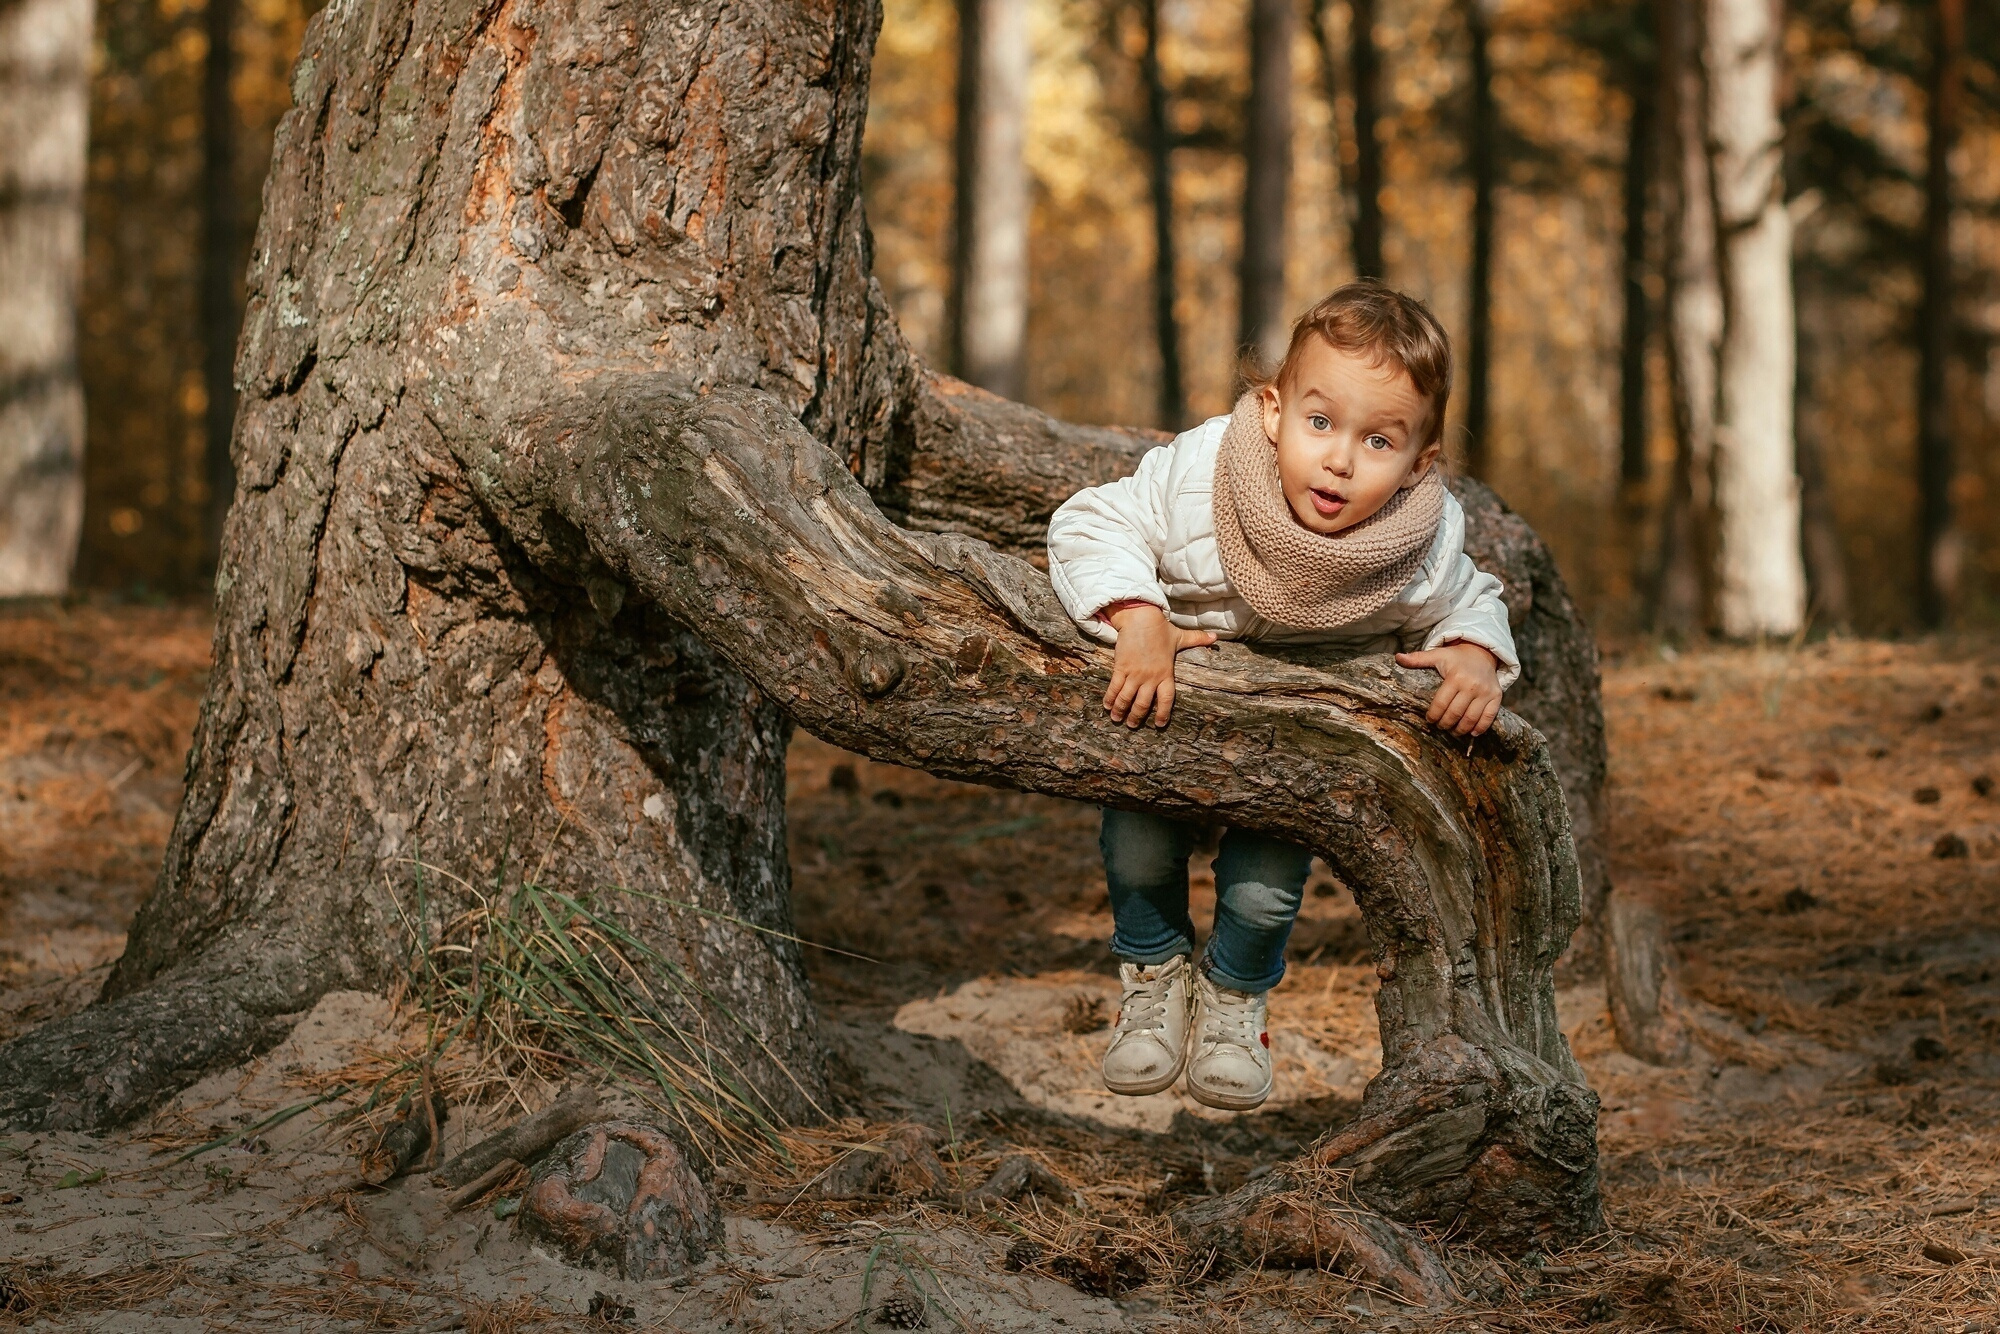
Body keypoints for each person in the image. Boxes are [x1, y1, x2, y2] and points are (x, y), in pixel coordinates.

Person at [1045, 280, 1519, 1111]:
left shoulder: (1417, 541)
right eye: (1320, 422)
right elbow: (1090, 523)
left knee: (1263, 893)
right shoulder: (1203, 473)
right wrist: (1137, 613)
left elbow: (1472, 596)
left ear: (1421, 461)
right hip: (1168, 724)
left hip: (1290, 760)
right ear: (1271, 411)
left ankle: (1235, 998)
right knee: (1138, 853)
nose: (1339, 458)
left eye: (1380, 441)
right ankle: (1153, 977)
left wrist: (1477, 656)